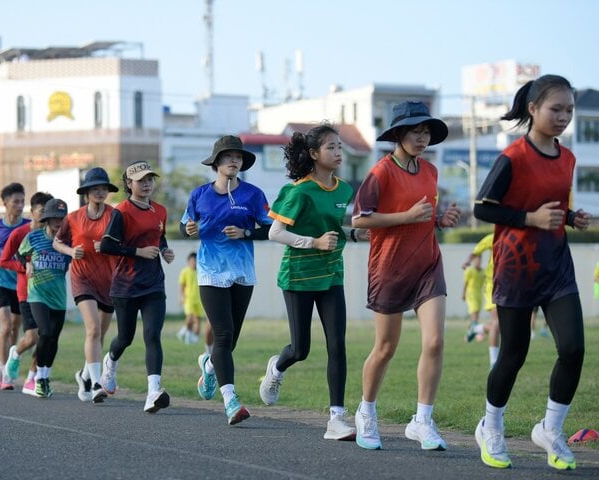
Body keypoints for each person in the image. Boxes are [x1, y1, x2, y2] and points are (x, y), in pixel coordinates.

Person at [473, 74, 589, 471]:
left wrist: (571, 216)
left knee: (573, 349)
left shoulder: (569, 158)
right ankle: (491, 427)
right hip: (516, 269)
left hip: (557, 267)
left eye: (569, 110)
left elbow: (550, 205)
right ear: (533, 109)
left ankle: (550, 429)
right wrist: (530, 218)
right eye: (556, 109)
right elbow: (482, 208)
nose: (563, 117)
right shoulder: (513, 157)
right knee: (513, 354)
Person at [351, 101, 461, 451]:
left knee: (434, 342)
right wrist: (408, 216)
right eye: (415, 131)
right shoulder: (381, 172)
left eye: (426, 131)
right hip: (389, 268)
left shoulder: (430, 170)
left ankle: (422, 421)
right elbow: (359, 220)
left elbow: (423, 215)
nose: (422, 137)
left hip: (428, 264)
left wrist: (439, 220)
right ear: (398, 133)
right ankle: (366, 412)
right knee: (385, 348)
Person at [258, 124, 362, 441]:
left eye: (340, 146)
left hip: (332, 275)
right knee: (301, 349)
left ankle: (336, 419)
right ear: (314, 154)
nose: (338, 152)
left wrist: (354, 234)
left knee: (337, 346)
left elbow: (332, 230)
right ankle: (276, 368)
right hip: (298, 276)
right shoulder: (298, 191)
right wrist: (312, 243)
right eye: (331, 147)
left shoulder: (345, 190)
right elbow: (274, 233)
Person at [180, 135, 273, 425]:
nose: (234, 161)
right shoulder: (199, 195)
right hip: (209, 272)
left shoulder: (254, 195)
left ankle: (209, 365)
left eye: (239, 157)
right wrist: (189, 230)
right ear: (217, 162)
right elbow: (185, 227)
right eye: (228, 156)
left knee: (230, 338)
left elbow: (271, 229)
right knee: (222, 335)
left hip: (243, 272)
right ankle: (231, 400)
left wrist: (246, 232)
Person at [99, 161, 176, 413]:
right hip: (125, 285)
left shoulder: (161, 210)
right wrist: (138, 252)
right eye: (141, 180)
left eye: (150, 179)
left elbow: (159, 234)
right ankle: (110, 362)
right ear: (129, 184)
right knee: (125, 338)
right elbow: (107, 246)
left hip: (153, 284)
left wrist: (164, 249)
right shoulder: (121, 212)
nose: (146, 184)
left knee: (152, 335)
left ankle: (153, 392)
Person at [54, 167, 118, 404]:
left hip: (109, 280)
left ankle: (83, 375)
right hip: (82, 278)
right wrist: (71, 251)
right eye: (95, 188)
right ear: (87, 192)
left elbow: (124, 241)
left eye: (104, 188)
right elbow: (57, 242)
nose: (100, 192)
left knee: (100, 333)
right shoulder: (73, 218)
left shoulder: (115, 215)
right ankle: (96, 383)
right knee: (92, 329)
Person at [0, 191, 53, 396]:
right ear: (32, 211)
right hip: (27, 293)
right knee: (33, 337)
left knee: (46, 337)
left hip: (49, 293)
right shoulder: (20, 233)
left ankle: (32, 378)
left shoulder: (54, 234)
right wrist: (25, 267)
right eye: (41, 211)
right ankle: (16, 351)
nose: (45, 216)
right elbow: (4, 260)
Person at [18, 198, 72, 398]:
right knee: (45, 332)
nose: (59, 222)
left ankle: (46, 376)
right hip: (37, 294)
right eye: (55, 218)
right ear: (47, 219)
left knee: (54, 338)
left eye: (62, 218)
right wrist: (27, 264)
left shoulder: (69, 241)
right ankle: (39, 377)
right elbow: (19, 254)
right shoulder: (33, 238)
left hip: (58, 296)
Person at [0, 182, 30, 390]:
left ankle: (6, 360)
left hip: (19, 283)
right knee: (5, 325)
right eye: (15, 201)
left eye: (22, 201)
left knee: (15, 328)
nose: (20, 205)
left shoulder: (28, 226)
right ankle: (4, 372)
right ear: (5, 203)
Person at [462, 233, 500, 366]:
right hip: (492, 286)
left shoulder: (520, 236)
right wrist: (468, 261)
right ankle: (494, 364)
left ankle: (476, 328)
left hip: (511, 286)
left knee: (506, 327)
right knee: (496, 324)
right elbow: (476, 251)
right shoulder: (493, 237)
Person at [177, 252, 205, 345]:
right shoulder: (185, 271)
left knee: (197, 320)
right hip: (189, 299)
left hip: (199, 300)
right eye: (192, 261)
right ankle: (185, 333)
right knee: (190, 318)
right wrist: (181, 297)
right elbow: (182, 285)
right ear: (188, 262)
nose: (194, 263)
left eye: (195, 261)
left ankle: (190, 336)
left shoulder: (201, 271)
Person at [462, 255, 485, 343]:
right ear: (474, 261)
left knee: (475, 317)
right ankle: (478, 335)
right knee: (474, 316)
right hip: (471, 295)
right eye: (476, 260)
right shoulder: (470, 271)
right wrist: (463, 294)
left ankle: (467, 336)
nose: (478, 262)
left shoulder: (483, 272)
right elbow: (465, 283)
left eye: (479, 260)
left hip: (479, 295)